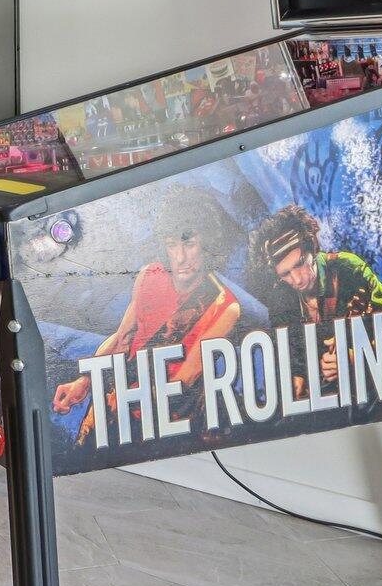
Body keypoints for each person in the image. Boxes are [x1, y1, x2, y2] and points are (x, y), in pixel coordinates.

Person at [51, 188, 249, 442]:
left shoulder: (224, 306)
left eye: (189, 244)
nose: (180, 257)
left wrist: (123, 400)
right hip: (114, 401)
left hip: (163, 421)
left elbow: (184, 380)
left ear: (206, 243)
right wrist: (85, 382)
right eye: (171, 245)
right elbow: (122, 338)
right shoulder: (150, 275)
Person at [249, 205, 382, 391]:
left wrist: (354, 359)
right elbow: (292, 363)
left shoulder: (347, 269)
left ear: (312, 248)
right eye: (285, 274)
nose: (297, 279)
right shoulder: (280, 300)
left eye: (300, 264)